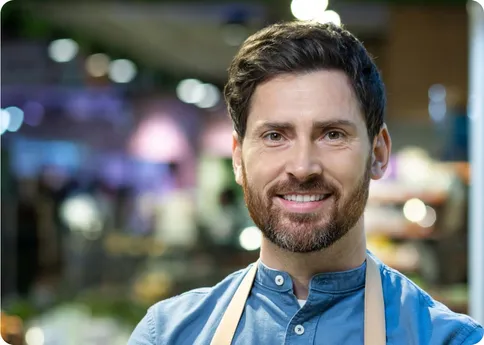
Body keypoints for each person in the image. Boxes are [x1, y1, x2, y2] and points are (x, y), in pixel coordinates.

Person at [128, 21, 483, 344]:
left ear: (378, 153)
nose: (302, 167)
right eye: (274, 136)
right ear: (238, 158)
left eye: (331, 134)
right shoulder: (168, 335)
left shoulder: (450, 340)